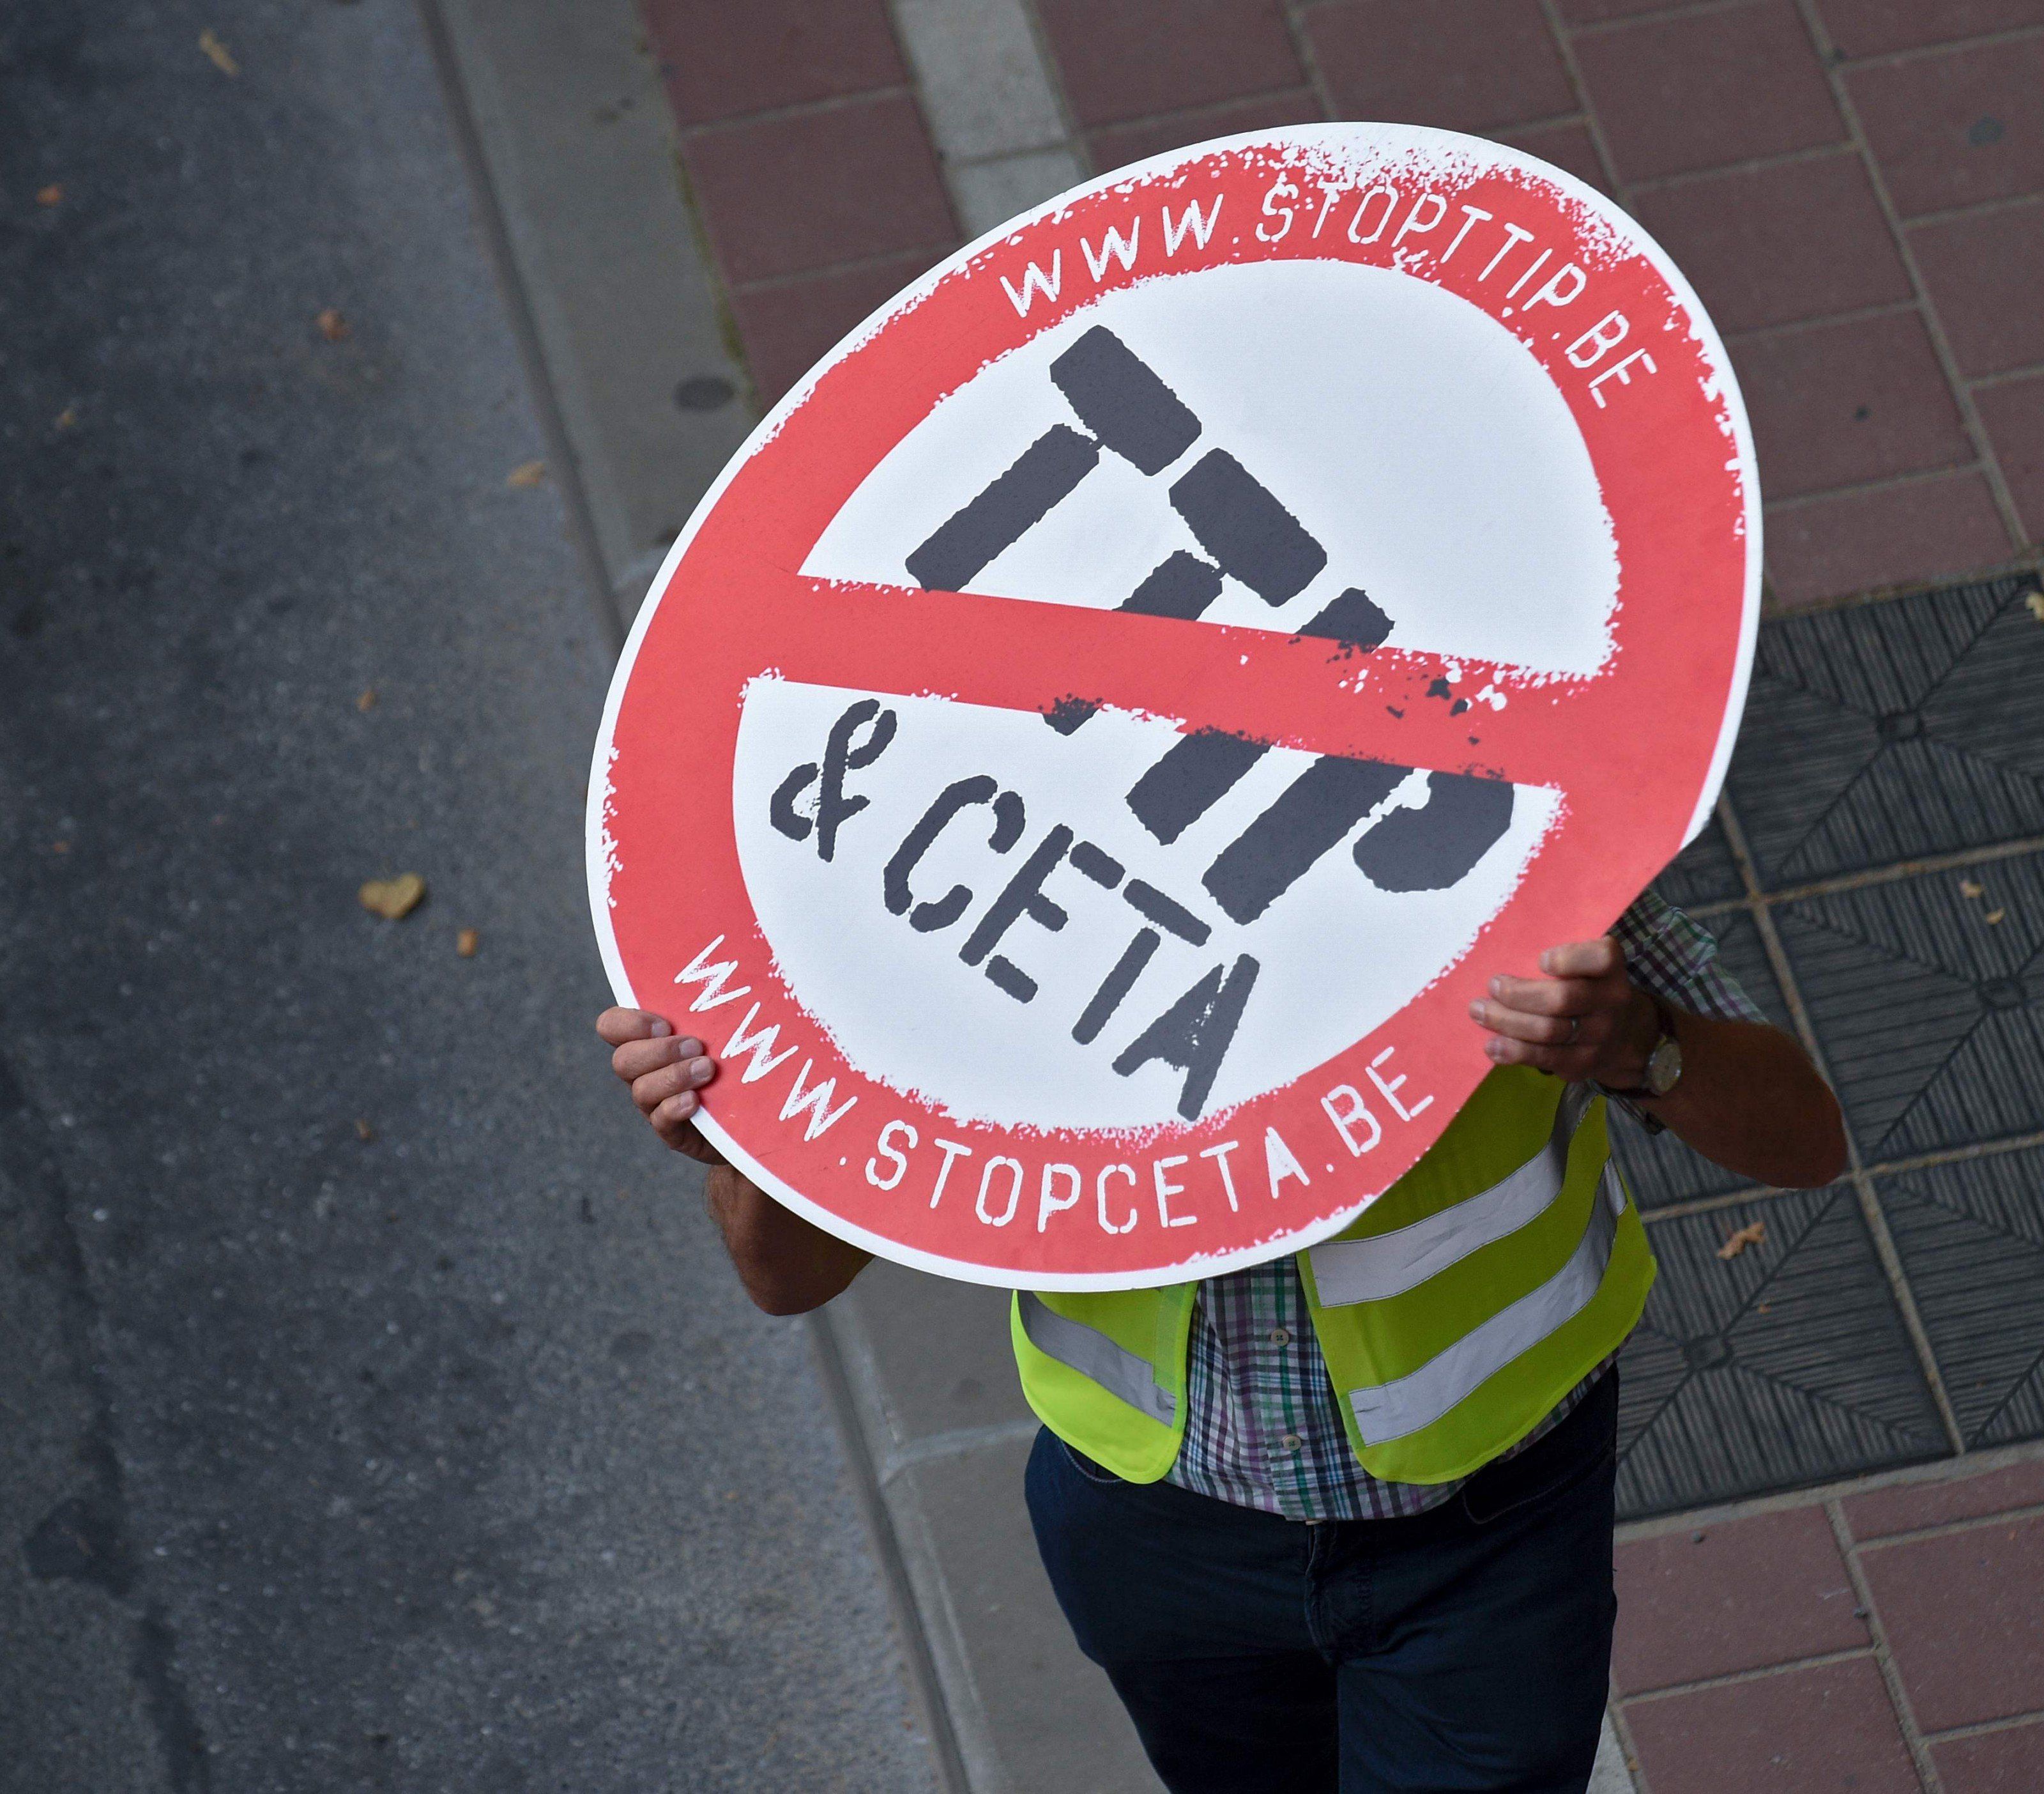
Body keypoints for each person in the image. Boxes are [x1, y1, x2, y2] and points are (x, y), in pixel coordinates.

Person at [597, 891, 1845, 1793]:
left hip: (1484, 1541)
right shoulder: (990, 871)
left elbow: (1802, 1139)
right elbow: (788, 1274)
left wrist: (1641, 1044)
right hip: (1155, 1534)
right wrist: (750, 1147)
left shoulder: (1536, 821)